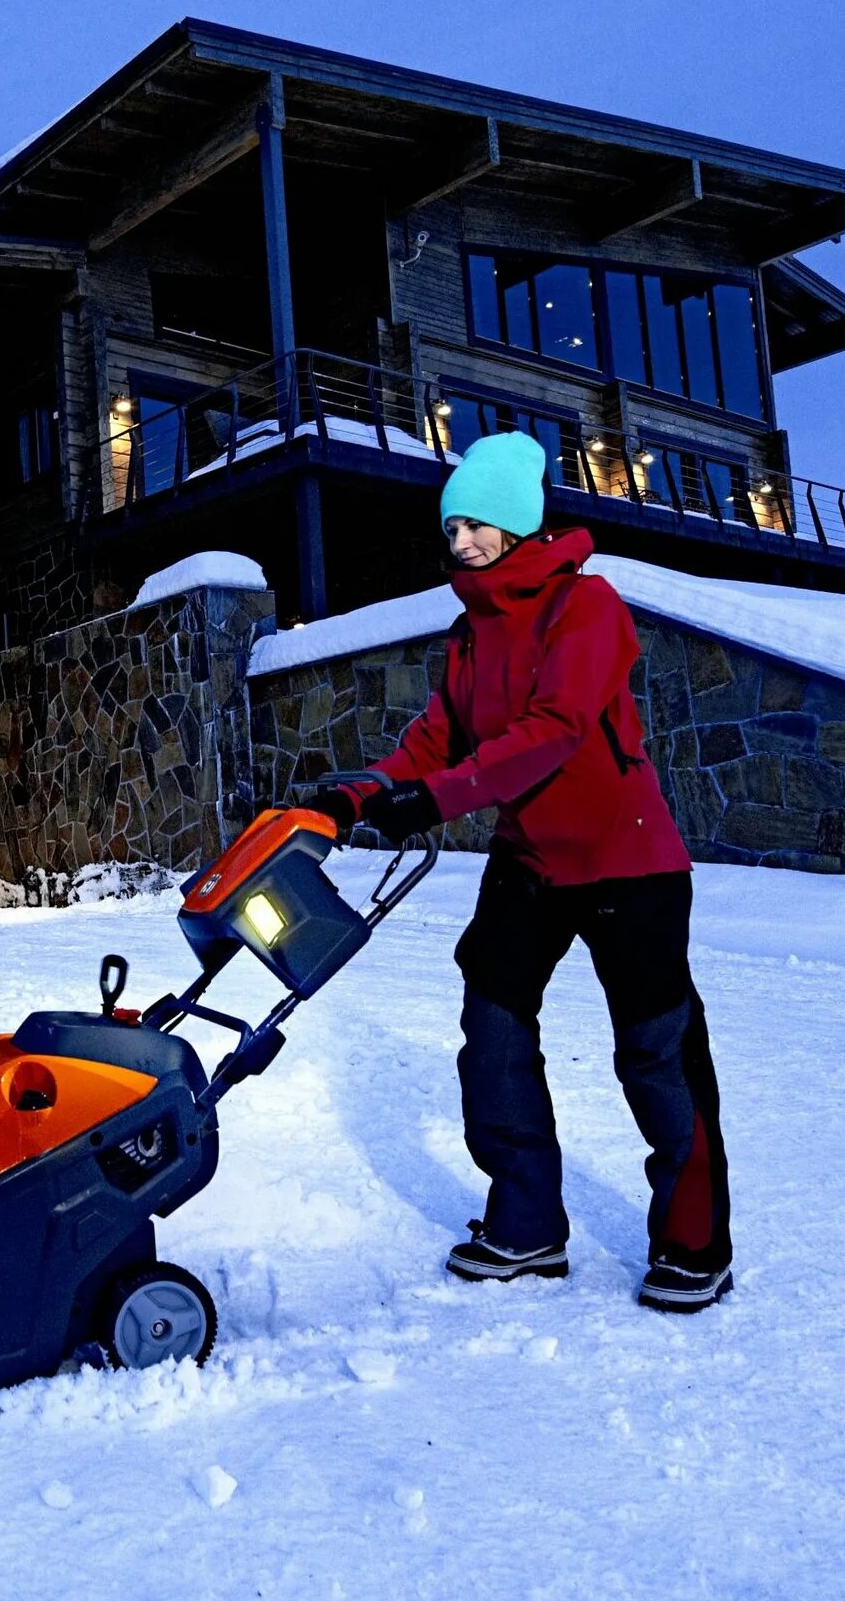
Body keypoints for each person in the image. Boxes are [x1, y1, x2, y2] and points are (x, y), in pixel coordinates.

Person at [307, 429, 733, 1312]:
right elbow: (438, 737)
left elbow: (555, 729)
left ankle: (695, 1243)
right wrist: (366, 792)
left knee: (655, 1054)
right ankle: (527, 1225)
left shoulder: (587, 608)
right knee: (493, 1028)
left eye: (475, 523)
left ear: (517, 522)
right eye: (451, 525)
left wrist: (436, 801)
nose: (459, 540)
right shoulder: (470, 635)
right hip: (531, 859)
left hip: (627, 859)